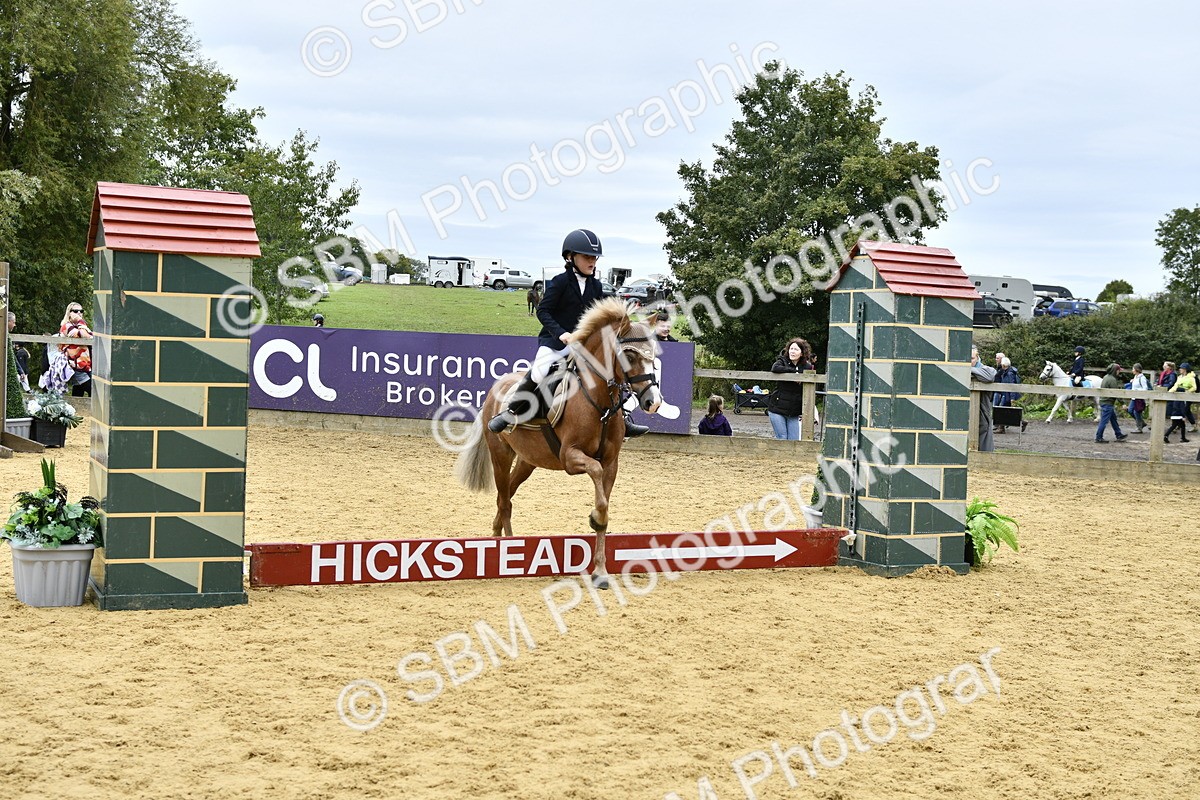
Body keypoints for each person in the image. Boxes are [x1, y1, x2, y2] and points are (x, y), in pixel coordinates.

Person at [487, 229, 650, 438]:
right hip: (555, 342)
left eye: (595, 257)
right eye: (587, 257)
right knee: (539, 370)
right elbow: (543, 311)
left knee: (612, 371)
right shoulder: (560, 282)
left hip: (584, 347)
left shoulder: (596, 286)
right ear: (570, 257)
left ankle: (624, 419)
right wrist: (561, 334)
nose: (592, 261)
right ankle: (511, 411)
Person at [767, 337, 810, 440]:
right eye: (791, 349)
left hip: (794, 411)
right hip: (777, 408)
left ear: (802, 353)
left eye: (796, 349)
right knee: (782, 438)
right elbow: (775, 368)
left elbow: (810, 384)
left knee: (794, 440)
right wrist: (794, 373)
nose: (792, 351)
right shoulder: (782, 361)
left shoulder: (806, 366)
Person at [59, 302, 92, 397]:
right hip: (75, 366)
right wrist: (80, 321)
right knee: (93, 391)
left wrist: (81, 326)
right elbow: (83, 335)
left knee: (78, 393)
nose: (79, 313)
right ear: (69, 313)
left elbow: (91, 337)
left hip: (85, 365)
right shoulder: (66, 326)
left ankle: (74, 411)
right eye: (76, 311)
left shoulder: (81, 326)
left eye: (81, 311)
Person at [1095, 363, 1129, 443]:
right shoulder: (1112, 379)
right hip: (1108, 403)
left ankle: (1119, 434)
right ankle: (1098, 437)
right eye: (1118, 371)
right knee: (1104, 421)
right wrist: (1122, 403)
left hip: (1104, 401)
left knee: (1113, 419)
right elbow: (1115, 393)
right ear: (1115, 371)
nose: (1119, 372)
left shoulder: (1106, 377)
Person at [971, 345, 996, 451]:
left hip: (982, 416)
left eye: (971, 359)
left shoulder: (987, 370)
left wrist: (966, 370)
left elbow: (990, 376)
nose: (968, 362)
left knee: (984, 449)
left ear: (977, 358)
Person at [1165, 362, 1195, 444]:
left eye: (1181, 368)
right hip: (1177, 397)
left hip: (1184, 397)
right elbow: (1175, 386)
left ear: (1185, 370)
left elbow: (1194, 387)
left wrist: (1187, 392)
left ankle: (1182, 437)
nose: (1179, 369)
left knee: (1180, 423)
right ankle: (1168, 435)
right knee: (1177, 422)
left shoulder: (1191, 378)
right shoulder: (1179, 377)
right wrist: (1169, 393)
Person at [993, 356, 1022, 433]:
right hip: (1005, 394)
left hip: (1008, 395)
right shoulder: (1008, 371)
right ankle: (1002, 427)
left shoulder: (1009, 373)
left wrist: (1012, 398)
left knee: (1003, 410)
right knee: (1004, 410)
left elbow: (1011, 386)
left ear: (1003, 365)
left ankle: (1001, 428)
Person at [1128, 363, 1150, 434]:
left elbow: (1145, 388)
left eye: (1133, 369)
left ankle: (1139, 428)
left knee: (1136, 412)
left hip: (1139, 398)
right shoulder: (1135, 377)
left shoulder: (1142, 378)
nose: (1132, 370)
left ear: (1137, 369)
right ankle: (1141, 423)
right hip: (1134, 397)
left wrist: (1138, 392)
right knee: (1130, 410)